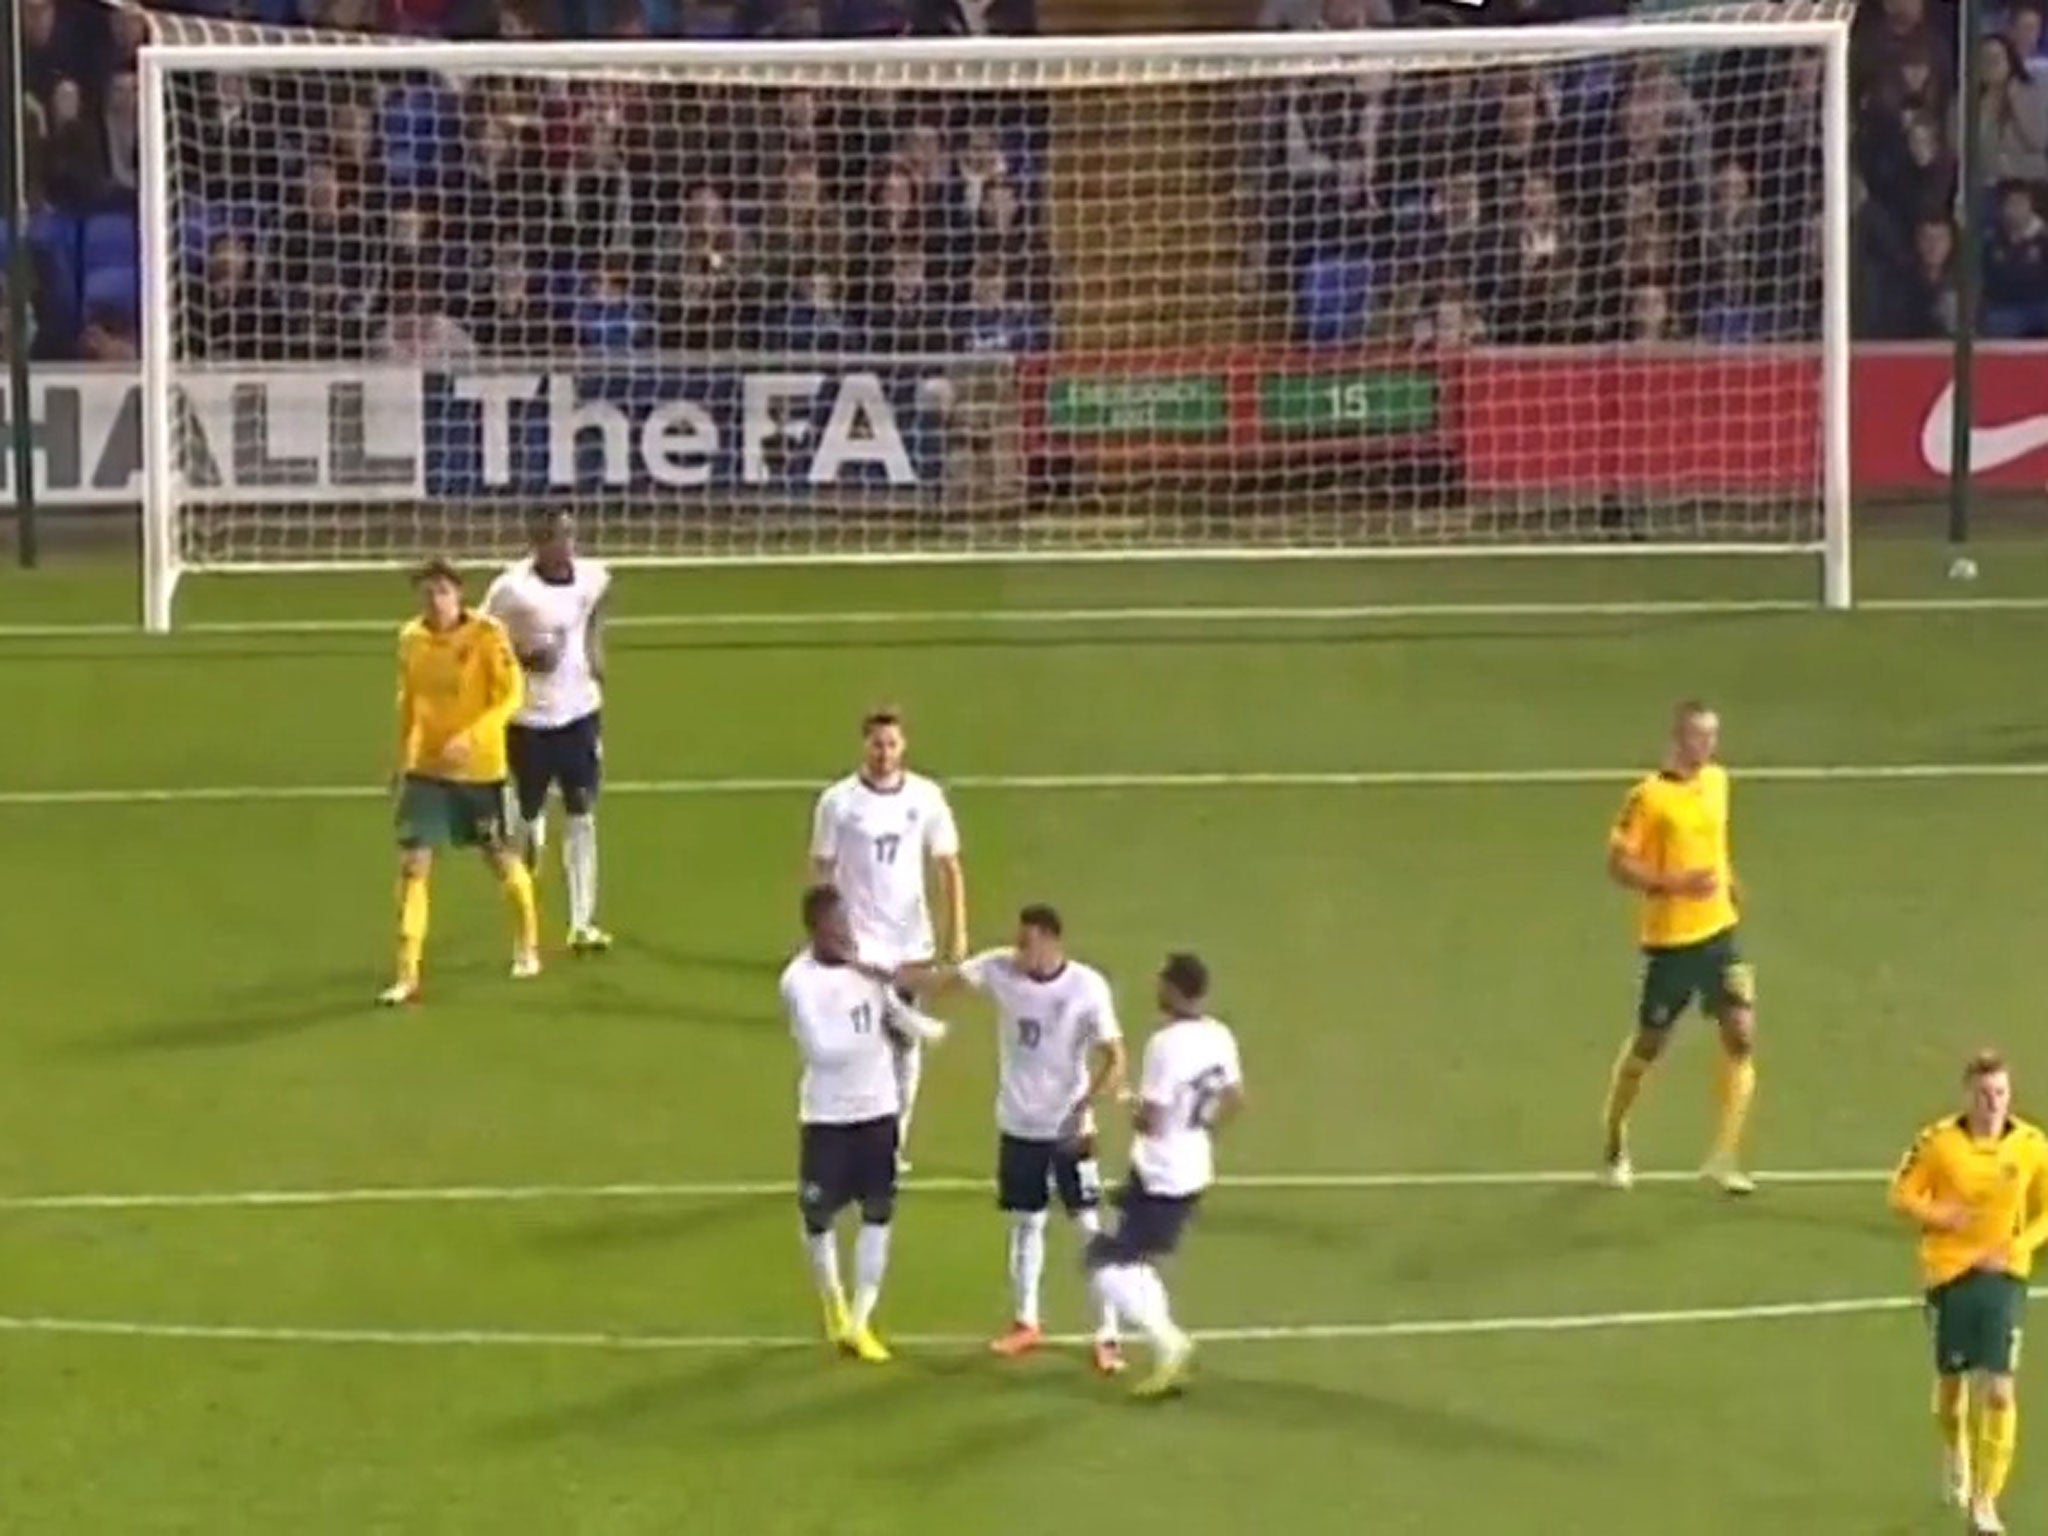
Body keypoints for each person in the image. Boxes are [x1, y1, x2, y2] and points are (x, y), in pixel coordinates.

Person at [899, 904, 1129, 1373]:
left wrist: (1085, 1106)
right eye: (1018, 941)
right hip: (1018, 1125)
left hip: (1068, 1131)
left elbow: (1116, 1056)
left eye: (1027, 942)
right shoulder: (999, 968)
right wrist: (880, 973)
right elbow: (944, 982)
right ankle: (1026, 1321)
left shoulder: (1087, 987)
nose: (1018, 950)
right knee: (1027, 1224)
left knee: (1088, 1229)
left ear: (1051, 941)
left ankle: (1108, 1335)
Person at [781, 884, 948, 1363]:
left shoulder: (870, 961)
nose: (847, 934)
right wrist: (878, 1033)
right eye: (836, 928)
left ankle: (859, 1320)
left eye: (848, 923)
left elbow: (900, 1015)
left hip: (878, 1109)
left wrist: (923, 1029)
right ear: (816, 932)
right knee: (818, 1219)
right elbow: (822, 1050)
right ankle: (832, 1298)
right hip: (827, 1114)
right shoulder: (799, 982)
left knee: (879, 1214)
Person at [1599, 700, 1757, 1195]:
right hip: (1671, 944)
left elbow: (1714, 845)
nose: (1708, 745)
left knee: (1742, 1034)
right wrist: (1674, 883)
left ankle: (1724, 1154)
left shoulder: (1718, 781)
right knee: (1651, 1044)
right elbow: (1618, 864)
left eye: (1713, 735)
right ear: (1678, 737)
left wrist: (1729, 881)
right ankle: (1614, 1138)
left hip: (1719, 936)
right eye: (1699, 736)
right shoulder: (1648, 797)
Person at [1889, 1050, 2048, 1535]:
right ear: (1968, 1095)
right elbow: (1900, 1192)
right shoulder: (1937, 1142)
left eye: (2000, 1093)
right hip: (1949, 1274)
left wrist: (2018, 1245)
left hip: (2004, 1277)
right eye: (1984, 1094)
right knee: (1953, 1386)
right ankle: (1955, 1448)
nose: (1993, 1103)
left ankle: (1985, 1501)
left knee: (1999, 1391)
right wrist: (1942, 1217)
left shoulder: (2030, 1145)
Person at [809, 708, 968, 1171]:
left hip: (910, 944)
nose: (884, 753)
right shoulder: (838, 802)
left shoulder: (926, 797)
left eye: (892, 744)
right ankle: (859, 1132)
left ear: (904, 747)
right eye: (877, 744)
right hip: (858, 945)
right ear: (865, 746)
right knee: (861, 1042)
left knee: (903, 1046)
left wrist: (957, 932)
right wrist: (825, 935)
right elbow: (821, 870)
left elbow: (948, 866)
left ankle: (893, 1140)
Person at [381, 559, 541, 1005]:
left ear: (458, 594)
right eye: (427, 593)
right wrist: (401, 761)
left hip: (477, 770)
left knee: (497, 857)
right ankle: (407, 974)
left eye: (441, 591)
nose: (434, 600)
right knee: (413, 865)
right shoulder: (411, 639)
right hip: (427, 772)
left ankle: (527, 943)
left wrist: (473, 737)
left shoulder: (487, 635)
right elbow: (410, 705)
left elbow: (511, 696)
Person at [1084, 952, 1244, 1399]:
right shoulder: (1219, 1035)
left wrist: (1129, 1102)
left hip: (1162, 1175)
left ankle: (1169, 1342)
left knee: (1103, 1264)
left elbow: (1150, 1121)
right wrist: (1198, 1124)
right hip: (1190, 1165)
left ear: (1174, 990)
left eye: (1161, 984)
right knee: (1133, 1258)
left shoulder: (1165, 1044)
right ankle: (1167, 1344)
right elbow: (1234, 1098)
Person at [482, 512, 612, 954]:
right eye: (555, 536)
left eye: (569, 533)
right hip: (529, 719)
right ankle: (525, 915)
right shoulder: (511, 589)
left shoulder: (593, 577)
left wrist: (596, 654)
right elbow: (483, 637)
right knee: (529, 815)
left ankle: (582, 922)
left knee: (582, 809)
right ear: (537, 542)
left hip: (580, 713)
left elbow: (596, 610)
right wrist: (521, 657)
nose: (566, 544)